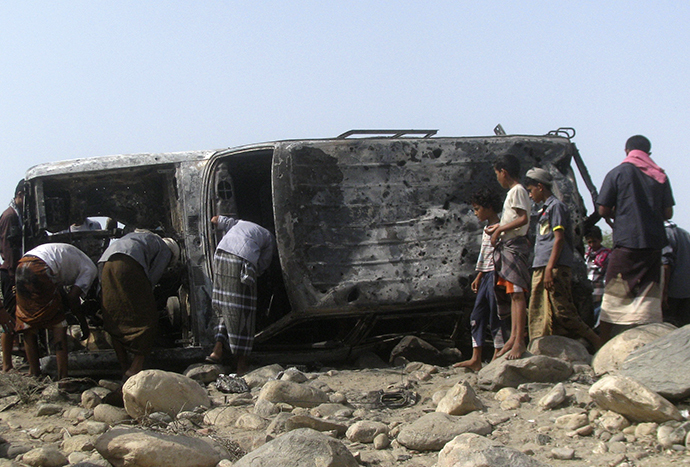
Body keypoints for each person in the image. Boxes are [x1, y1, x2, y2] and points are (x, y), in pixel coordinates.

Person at [597, 135, 675, 341]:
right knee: (647, 294)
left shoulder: (618, 172)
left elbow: (603, 208)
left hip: (627, 242)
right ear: (648, 154)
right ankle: (649, 341)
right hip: (653, 245)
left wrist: (617, 214)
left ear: (626, 152)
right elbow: (668, 213)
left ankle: (602, 344)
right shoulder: (660, 176)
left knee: (614, 292)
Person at [524, 168, 601, 350]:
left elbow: (558, 239)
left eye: (531, 190)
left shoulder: (556, 207)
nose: (530, 194)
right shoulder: (544, 209)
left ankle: (595, 340)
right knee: (540, 310)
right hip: (542, 265)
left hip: (554, 267)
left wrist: (550, 269)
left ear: (540, 187)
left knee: (563, 311)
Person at [98, 231, 179, 379]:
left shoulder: (142, 237)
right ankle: (135, 367)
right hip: (129, 263)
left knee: (115, 320)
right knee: (148, 318)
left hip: (106, 263)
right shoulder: (166, 249)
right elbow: (151, 280)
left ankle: (124, 369)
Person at [15, 243, 97, 380]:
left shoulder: (78, 259)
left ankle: (34, 374)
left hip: (23, 264)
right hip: (41, 267)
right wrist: (83, 323)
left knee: (27, 322)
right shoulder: (91, 270)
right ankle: (63, 379)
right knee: (58, 324)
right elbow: (72, 297)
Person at [206, 215, 275, 375]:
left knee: (225, 306)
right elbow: (263, 264)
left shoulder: (239, 223)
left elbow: (215, 219)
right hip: (242, 259)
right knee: (244, 312)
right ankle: (241, 364)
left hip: (221, 254)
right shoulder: (269, 239)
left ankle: (217, 351)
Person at [454, 188, 509, 371]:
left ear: (489, 207)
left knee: (495, 315)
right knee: (477, 316)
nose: (476, 213)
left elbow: (499, 255)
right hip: (486, 275)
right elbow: (485, 255)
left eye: (478, 209)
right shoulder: (487, 229)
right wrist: (479, 274)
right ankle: (476, 357)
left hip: (495, 274)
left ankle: (497, 353)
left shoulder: (501, 228)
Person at [487, 153, 531, 360]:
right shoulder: (514, 192)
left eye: (497, 174)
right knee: (513, 294)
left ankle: (519, 341)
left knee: (518, 294)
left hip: (516, 247)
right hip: (509, 244)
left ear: (503, 172)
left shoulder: (518, 191)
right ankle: (513, 338)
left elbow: (522, 219)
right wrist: (499, 227)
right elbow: (513, 219)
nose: (497, 178)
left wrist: (499, 230)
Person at [0, 180, 33, 373]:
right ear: (20, 195)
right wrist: (14, 276)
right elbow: (8, 249)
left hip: (16, 271)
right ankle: (6, 365)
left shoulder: (18, 215)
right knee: (11, 319)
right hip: (11, 274)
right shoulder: (10, 217)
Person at [662, 220, 690, 327]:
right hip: (686, 292)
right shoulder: (684, 233)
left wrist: (664, 293)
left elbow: (665, 264)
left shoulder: (664, 233)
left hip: (671, 294)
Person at [584, 226, 610, 327]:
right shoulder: (587, 254)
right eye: (589, 242)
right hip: (588, 293)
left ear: (600, 240)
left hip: (599, 293)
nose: (592, 245)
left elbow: (607, 275)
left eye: (594, 241)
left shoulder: (606, 255)